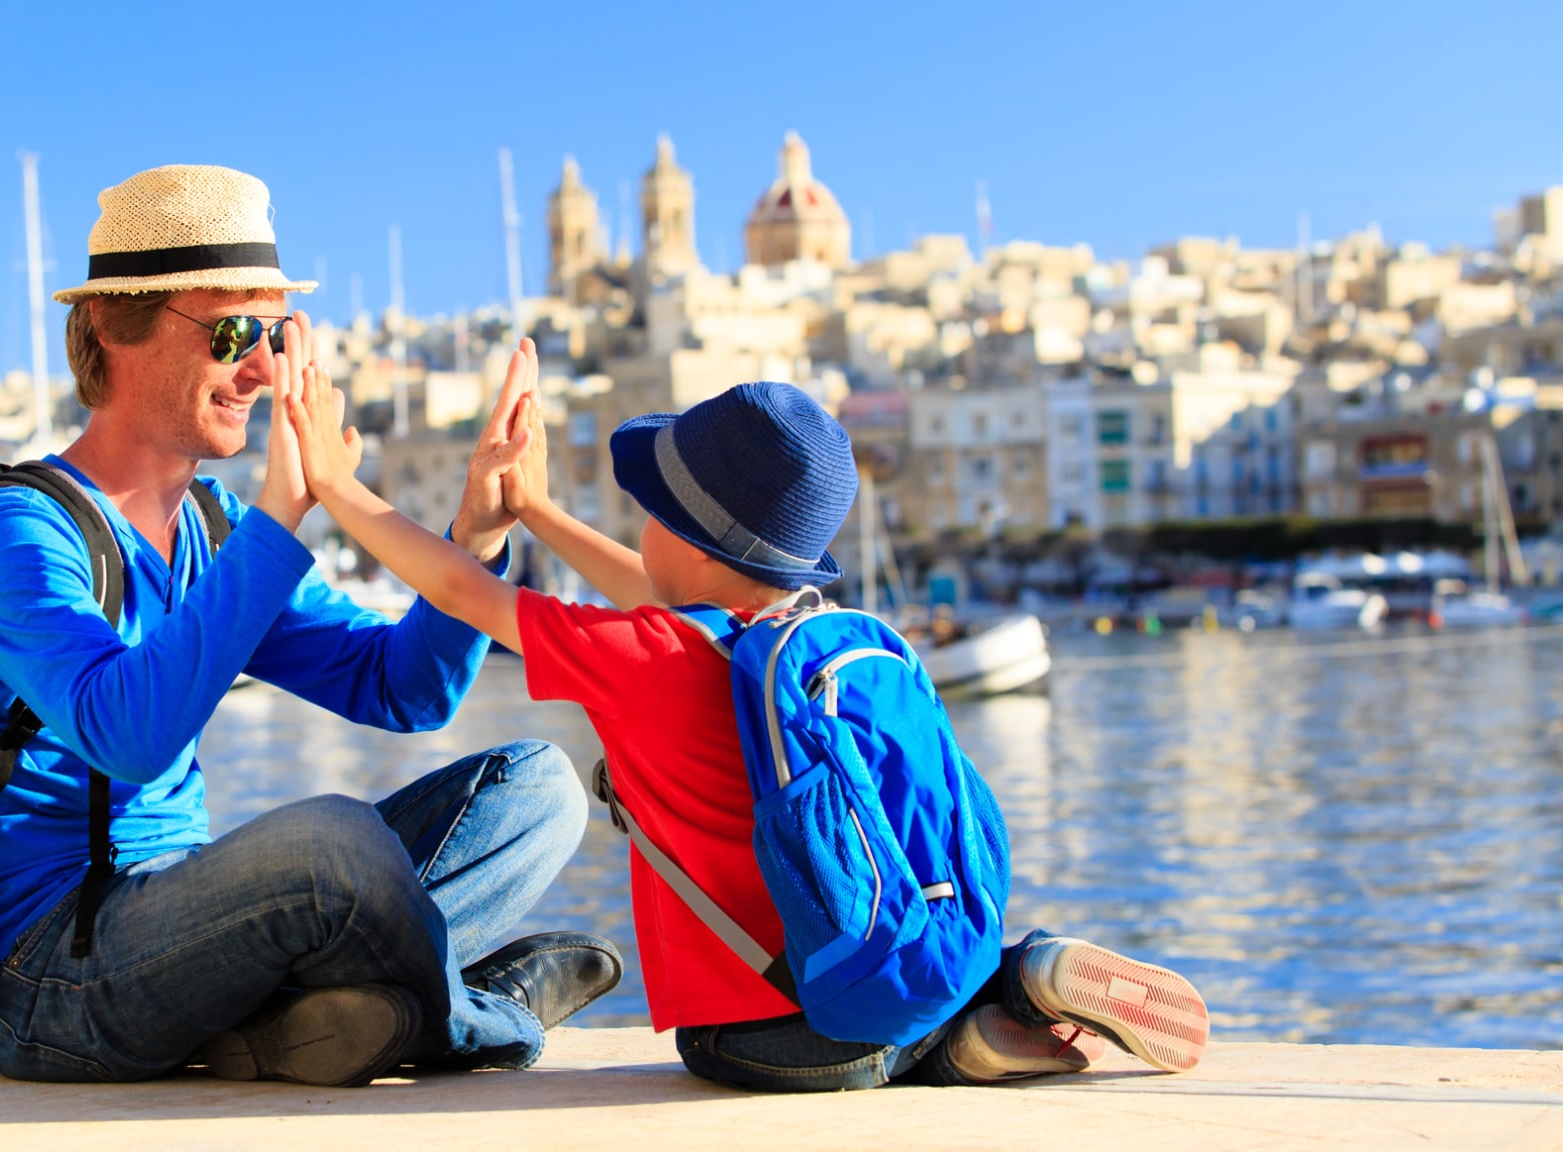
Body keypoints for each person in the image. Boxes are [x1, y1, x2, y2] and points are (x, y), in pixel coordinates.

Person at [283, 345, 1211, 1092]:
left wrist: (332, 481)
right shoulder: (784, 638)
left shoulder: (639, 657)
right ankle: (1016, 977)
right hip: (879, 960)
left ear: (684, 536)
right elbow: (659, 591)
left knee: (720, 1052)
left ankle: (949, 1049)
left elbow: (458, 585)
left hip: (759, 1022)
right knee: (894, 996)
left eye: (650, 512)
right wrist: (534, 509)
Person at [0, 164, 621, 1089]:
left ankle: (304, 1024)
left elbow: (400, 688)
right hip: (46, 978)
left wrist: (475, 537)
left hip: (186, 926)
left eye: (277, 335)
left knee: (540, 786)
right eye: (233, 331)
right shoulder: (12, 531)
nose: (262, 369)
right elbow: (126, 735)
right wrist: (284, 513)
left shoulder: (210, 530)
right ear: (111, 325)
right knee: (331, 845)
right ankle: (479, 1014)